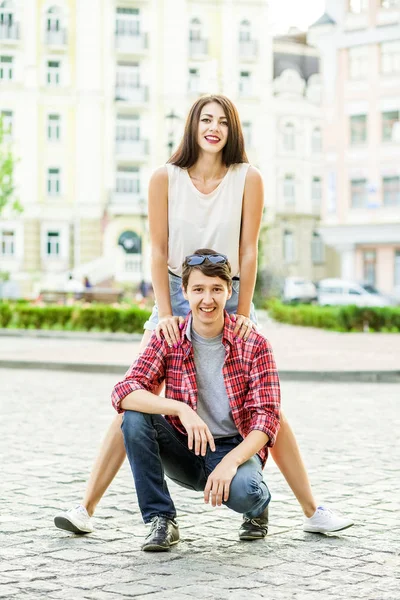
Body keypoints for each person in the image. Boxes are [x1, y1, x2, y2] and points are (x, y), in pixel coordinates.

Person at [54, 94, 353, 536]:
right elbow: (157, 249)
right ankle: (86, 508)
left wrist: (244, 310)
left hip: (227, 290)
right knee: (135, 399)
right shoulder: (165, 178)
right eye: (206, 120)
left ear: (232, 131)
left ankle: (312, 512)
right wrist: (164, 313)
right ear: (192, 126)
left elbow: (249, 250)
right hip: (176, 290)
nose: (214, 128)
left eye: (223, 122)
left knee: (268, 410)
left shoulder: (248, 178)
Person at [113, 250, 280, 551]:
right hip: (184, 447)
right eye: (199, 289)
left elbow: (266, 419)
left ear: (229, 291)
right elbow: (124, 391)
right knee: (134, 418)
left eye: (217, 289)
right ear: (185, 292)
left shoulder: (254, 343)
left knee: (248, 492)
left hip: (232, 447)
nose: (208, 299)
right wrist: (180, 409)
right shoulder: (170, 337)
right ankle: (161, 519)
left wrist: (231, 462)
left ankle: (256, 512)